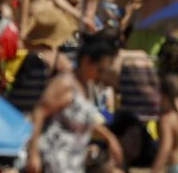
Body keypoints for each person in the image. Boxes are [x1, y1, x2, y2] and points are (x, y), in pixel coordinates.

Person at [27, 31, 125, 173]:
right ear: (86, 61)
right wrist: (33, 154)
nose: (101, 74)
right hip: (51, 161)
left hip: (71, 164)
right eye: (99, 69)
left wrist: (110, 138)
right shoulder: (65, 84)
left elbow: (84, 119)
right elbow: (38, 114)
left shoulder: (85, 87)